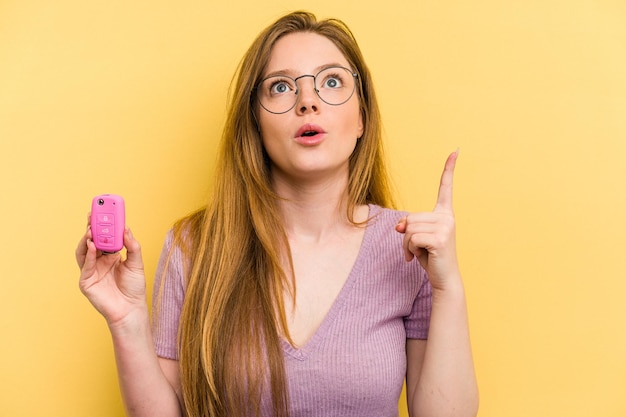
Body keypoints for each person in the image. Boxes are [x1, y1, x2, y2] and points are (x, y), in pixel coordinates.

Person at [76, 10, 478, 417]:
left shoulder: (409, 249)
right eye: (281, 87)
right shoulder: (193, 246)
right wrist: (127, 321)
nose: (308, 102)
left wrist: (448, 287)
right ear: (255, 122)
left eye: (332, 81)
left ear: (362, 118)